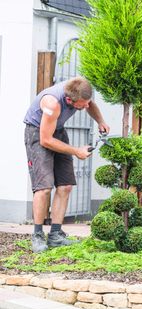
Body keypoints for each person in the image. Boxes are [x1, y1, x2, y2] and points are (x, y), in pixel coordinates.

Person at [24, 77, 110, 253]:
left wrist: (100, 121)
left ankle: (55, 235)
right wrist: (76, 151)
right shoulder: (52, 103)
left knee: (66, 185)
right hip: (38, 134)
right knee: (44, 187)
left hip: (58, 130)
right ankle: (38, 235)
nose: (86, 107)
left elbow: (90, 103)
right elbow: (45, 139)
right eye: (82, 104)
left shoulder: (79, 90)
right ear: (70, 100)